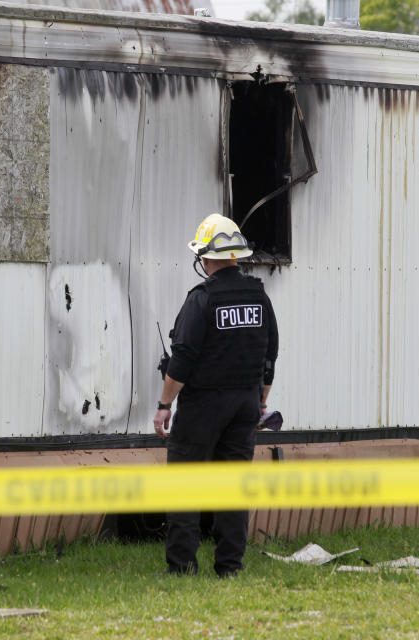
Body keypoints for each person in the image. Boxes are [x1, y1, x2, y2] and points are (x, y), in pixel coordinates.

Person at [153, 213, 279, 577]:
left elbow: (183, 359)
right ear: (236, 257)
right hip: (245, 403)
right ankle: (230, 567)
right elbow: (269, 357)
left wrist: (164, 405)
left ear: (206, 259)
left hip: (203, 405)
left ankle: (182, 568)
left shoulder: (201, 299)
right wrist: (261, 403)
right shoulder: (259, 297)